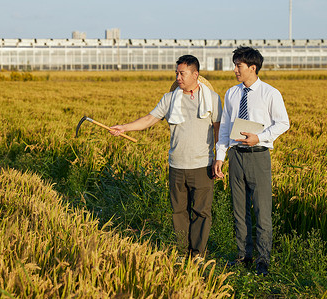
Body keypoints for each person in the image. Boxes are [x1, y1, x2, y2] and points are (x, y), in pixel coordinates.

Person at [110, 55, 222, 259]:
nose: (178, 77)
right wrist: (125, 128)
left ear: (195, 74)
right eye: (176, 73)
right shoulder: (169, 98)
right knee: (178, 212)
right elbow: (150, 118)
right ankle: (181, 252)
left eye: (182, 73)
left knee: (201, 212)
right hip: (177, 164)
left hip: (202, 165)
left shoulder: (212, 98)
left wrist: (219, 158)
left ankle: (197, 254)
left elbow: (218, 130)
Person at [212, 46, 289, 276]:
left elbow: (283, 123)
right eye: (235, 65)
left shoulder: (270, 93)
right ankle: (243, 256)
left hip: (258, 156)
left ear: (252, 68)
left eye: (239, 66)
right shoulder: (232, 94)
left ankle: (262, 260)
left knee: (262, 211)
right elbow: (225, 127)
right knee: (239, 210)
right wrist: (220, 156)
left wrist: (260, 137)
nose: (235, 70)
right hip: (236, 156)